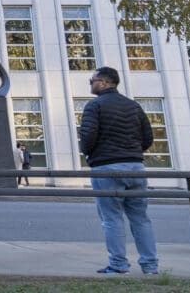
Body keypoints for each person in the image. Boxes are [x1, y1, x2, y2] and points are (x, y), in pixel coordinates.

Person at [78, 66, 158, 275]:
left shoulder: (94, 106)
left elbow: (87, 137)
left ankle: (118, 264)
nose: (90, 83)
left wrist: (90, 155)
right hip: (135, 167)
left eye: (92, 80)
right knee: (140, 218)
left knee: (111, 218)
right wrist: (132, 152)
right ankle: (150, 266)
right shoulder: (133, 106)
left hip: (107, 167)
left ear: (103, 82)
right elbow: (148, 137)